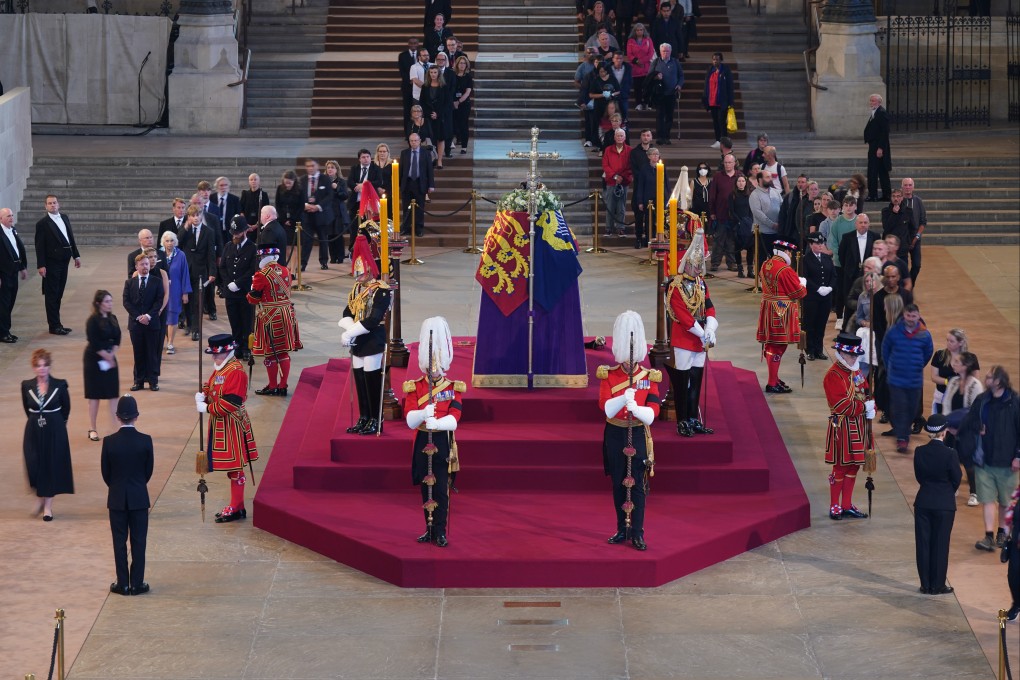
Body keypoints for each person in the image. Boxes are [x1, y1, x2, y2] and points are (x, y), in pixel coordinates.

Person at [598, 310, 661, 551]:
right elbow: (605, 407)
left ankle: (637, 531)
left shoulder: (647, 377)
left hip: (637, 433)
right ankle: (621, 528)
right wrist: (623, 399)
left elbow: (653, 410)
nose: (629, 361)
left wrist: (639, 408)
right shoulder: (609, 375)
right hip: (615, 434)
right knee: (617, 483)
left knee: (637, 486)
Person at [403, 316, 464, 548]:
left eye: (437, 366)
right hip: (421, 440)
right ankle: (427, 529)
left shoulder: (452, 387)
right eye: (431, 366)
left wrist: (436, 423)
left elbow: (455, 418)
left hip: (441, 440)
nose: (434, 370)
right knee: (425, 488)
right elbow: (409, 419)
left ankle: (440, 530)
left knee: (440, 489)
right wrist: (421, 415)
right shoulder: (415, 386)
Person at [195, 334, 259, 524]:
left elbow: (231, 403)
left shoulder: (236, 371)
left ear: (228, 351)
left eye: (217, 355)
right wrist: (203, 395)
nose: (214, 359)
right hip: (221, 424)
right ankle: (237, 506)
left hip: (232, 424)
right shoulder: (222, 367)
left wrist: (207, 407)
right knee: (233, 468)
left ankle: (236, 507)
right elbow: (212, 386)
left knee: (236, 468)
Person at [956, 366, 1020, 552]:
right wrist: (978, 427)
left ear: (999, 381)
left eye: (990, 377)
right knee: (987, 499)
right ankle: (989, 536)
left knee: (1005, 501)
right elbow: (969, 420)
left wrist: (1018, 457)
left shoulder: (1014, 403)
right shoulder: (982, 400)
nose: (986, 379)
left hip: (1008, 463)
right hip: (984, 461)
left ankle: (1003, 533)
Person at [665, 229, 717, 437]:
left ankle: (693, 418)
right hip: (684, 339)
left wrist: (711, 328)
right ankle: (682, 420)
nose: (698, 270)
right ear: (686, 264)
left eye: (700, 266)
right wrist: (702, 332)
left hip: (699, 339)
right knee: (682, 382)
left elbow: (710, 307)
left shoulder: (701, 284)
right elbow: (683, 317)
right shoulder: (675, 287)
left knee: (696, 381)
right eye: (695, 266)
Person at [101, 395, 154, 597]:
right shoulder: (145, 441)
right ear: (136, 416)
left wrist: (116, 487)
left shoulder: (109, 442)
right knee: (139, 541)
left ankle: (123, 583)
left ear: (117, 417)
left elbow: (106, 473)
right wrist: (138, 485)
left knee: (119, 541)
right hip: (139, 497)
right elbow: (148, 471)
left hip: (116, 498)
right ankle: (137, 583)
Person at [340, 235, 393, 436]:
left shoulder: (381, 290)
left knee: (372, 381)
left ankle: (375, 419)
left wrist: (351, 332)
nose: (356, 276)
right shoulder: (356, 289)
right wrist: (348, 331)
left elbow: (373, 319)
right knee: (360, 380)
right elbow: (347, 312)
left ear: (369, 269)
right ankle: (363, 417)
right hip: (358, 339)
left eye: (359, 272)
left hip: (373, 338)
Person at [824, 332, 874, 520]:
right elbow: (841, 405)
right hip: (842, 427)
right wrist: (864, 407)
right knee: (840, 467)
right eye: (851, 355)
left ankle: (846, 504)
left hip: (859, 425)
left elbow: (866, 391)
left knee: (853, 466)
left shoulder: (857, 371)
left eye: (856, 355)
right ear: (841, 353)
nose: (854, 358)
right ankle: (834, 504)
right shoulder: (833, 375)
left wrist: (872, 406)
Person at [22, 348, 74, 522]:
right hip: (34, 429)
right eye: (38, 366)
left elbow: (66, 408)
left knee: (50, 465)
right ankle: (39, 496)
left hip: (55, 429)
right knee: (34, 463)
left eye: (44, 365)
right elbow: (27, 408)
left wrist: (58, 423)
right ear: (34, 367)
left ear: (49, 366)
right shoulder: (26, 386)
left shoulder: (60, 385)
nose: (41, 369)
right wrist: (36, 420)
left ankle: (47, 507)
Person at [913, 414, 961, 595]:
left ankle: (925, 584)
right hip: (944, 504)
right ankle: (938, 584)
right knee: (941, 544)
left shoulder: (919, 451)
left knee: (923, 544)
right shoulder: (951, 454)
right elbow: (956, 478)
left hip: (923, 501)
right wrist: (946, 491)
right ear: (944, 432)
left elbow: (920, 477)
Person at [247, 247, 302, 397]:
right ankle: (283, 385)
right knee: (283, 351)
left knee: (270, 354)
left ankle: (272, 386)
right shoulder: (286, 270)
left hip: (271, 316)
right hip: (286, 313)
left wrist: (250, 292)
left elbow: (254, 299)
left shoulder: (261, 275)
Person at [881, 303, 933, 454]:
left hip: (914, 380)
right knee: (899, 408)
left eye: (914, 316)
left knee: (912, 409)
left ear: (918, 316)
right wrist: (891, 366)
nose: (911, 319)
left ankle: (903, 431)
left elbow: (928, 352)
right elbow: (885, 349)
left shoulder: (924, 334)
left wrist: (917, 365)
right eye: (908, 315)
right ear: (904, 315)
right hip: (896, 379)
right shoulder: (893, 331)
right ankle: (903, 438)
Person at [756, 240, 807, 394]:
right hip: (781, 311)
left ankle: (774, 378)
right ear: (787, 252)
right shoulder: (785, 269)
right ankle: (772, 382)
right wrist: (802, 284)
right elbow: (798, 293)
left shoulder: (766, 264)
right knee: (777, 346)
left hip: (768, 308)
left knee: (772, 345)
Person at [35, 194, 82, 335]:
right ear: (46, 206)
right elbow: (39, 246)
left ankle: (58, 324)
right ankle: (54, 326)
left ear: (58, 204)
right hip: (51, 263)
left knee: (59, 293)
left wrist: (76, 255)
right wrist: (41, 265)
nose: (52, 205)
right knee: (52, 294)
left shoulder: (65, 217)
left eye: (54, 203)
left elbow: (70, 238)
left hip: (64, 262)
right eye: (49, 203)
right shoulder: (42, 224)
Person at [943, 351, 983, 507]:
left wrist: (960, 428)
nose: (954, 364)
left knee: (968, 461)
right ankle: (953, 487)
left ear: (966, 366)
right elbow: (946, 404)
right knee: (950, 460)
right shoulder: (953, 381)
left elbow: (975, 411)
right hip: (951, 428)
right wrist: (948, 425)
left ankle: (974, 492)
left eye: (957, 362)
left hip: (967, 430)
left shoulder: (976, 385)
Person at [83, 289, 121, 442]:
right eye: (107, 301)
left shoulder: (113, 318)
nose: (110, 304)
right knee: (94, 396)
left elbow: (118, 338)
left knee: (113, 394)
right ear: (98, 303)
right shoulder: (92, 321)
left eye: (111, 301)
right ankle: (93, 428)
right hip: (94, 360)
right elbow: (94, 342)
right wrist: (107, 356)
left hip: (110, 358)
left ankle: (116, 428)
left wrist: (112, 355)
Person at [124, 253, 165, 392]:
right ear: (136, 266)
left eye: (147, 264)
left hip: (152, 324)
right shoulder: (130, 282)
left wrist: (148, 316)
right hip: (135, 325)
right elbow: (126, 302)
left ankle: (153, 381)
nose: (145, 266)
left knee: (152, 353)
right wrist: (138, 317)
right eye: (142, 264)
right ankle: (138, 381)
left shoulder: (156, 281)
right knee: (138, 353)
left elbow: (159, 301)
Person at [219, 216, 258, 359]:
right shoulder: (228, 246)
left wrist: (239, 283)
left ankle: (247, 348)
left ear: (245, 231)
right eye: (234, 233)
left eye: (238, 233)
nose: (235, 236)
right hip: (230, 293)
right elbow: (222, 267)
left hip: (244, 292)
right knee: (234, 321)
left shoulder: (252, 248)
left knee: (246, 322)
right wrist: (229, 282)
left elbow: (252, 270)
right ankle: (237, 345)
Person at [178, 204, 217, 341]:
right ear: (189, 217)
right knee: (186, 301)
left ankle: (196, 330)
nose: (195, 218)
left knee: (198, 301)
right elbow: (177, 242)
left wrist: (212, 271)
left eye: (197, 215)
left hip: (201, 271)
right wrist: (185, 227)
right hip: (186, 271)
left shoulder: (209, 232)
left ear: (201, 216)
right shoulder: (185, 230)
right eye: (192, 216)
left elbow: (211, 254)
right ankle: (189, 324)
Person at [802, 233, 835, 361]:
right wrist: (817, 288)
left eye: (821, 243)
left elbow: (834, 275)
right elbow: (805, 277)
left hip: (825, 298)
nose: (820, 245)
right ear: (811, 245)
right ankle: (810, 350)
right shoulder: (806, 259)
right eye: (817, 243)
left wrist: (830, 287)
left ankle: (819, 349)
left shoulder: (827, 258)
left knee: (821, 324)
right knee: (810, 324)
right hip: (811, 298)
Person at [300, 159, 336, 272]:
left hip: (322, 215)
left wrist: (318, 207)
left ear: (318, 166)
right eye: (308, 166)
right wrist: (305, 205)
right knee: (306, 241)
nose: (310, 168)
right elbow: (299, 195)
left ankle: (324, 262)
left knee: (323, 239)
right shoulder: (302, 179)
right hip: (307, 215)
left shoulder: (325, 179)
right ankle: (303, 263)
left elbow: (329, 196)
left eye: (312, 165)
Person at [159, 231, 191, 356]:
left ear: (175, 242)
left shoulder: (181, 255)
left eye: (172, 240)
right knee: (161, 317)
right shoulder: (159, 254)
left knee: (172, 317)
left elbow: (185, 274)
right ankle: (161, 341)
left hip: (175, 290)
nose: (169, 243)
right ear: (163, 242)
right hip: (161, 290)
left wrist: (185, 293)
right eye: (167, 241)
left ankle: (170, 343)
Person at [0, 207, 29, 343]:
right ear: (1, 219)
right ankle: (3, 333)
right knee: (4, 304)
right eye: (8, 216)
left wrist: (22, 267)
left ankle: (6, 330)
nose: (11, 218)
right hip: (3, 274)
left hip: (13, 272)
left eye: (12, 215)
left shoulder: (13, 230)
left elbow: (18, 249)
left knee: (10, 302)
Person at [400, 133, 435, 238]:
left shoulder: (426, 153)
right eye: (411, 141)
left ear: (420, 141)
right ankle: (406, 228)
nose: (413, 142)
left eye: (415, 140)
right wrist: (399, 184)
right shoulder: (404, 153)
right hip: (407, 183)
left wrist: (431, 185)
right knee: (407, 207)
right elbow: (401, 169)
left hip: (420, 183)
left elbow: (430, 170)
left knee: (419, 207)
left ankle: (419, 228)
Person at [708, 154, 738, 271]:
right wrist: (712, 211)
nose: (727, 165)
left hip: (734, 215)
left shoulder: (739, 176)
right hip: (720, 213)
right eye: (725, 162)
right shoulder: (718, 176)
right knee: (718, 240)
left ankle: (732, 263)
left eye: (729, 162)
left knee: (731, 240)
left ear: (734, 163)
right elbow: (712, 195)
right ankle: (715, 263)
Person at [631, 146, 665, 249]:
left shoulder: (661, 167)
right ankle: (639, 239)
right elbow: (640, 185)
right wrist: (640, 201)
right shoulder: (644, 168)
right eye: (653, 154)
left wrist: (665, 198)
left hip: (657, 199)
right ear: (649, 156)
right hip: (646, 199)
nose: (656, 156)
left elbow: (665, 184)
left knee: (653, 220)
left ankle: (650, 239)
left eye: (657, 154)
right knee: (641, 219)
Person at [649, 42, 683, 145]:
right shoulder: (656, 62)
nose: (665, 53)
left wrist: (679, 85)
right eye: (663, 51)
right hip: (659, 94)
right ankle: (660, 137)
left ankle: (667, 136)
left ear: (670, 52)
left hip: (671, 93)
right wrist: (655, 77)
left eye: (667, 51)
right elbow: (649, 76)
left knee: (669, 116)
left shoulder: (675, 62)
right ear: (660, 52)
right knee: (659, 115)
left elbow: (681, 76)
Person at [602, 128, 632, 238]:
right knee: (610, 205)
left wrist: (621, 177)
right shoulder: (608, 150)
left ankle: (621, 228)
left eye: (621, 136)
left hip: (623, 182)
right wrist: (614, 176)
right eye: (618, 135)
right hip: (611, 181)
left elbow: (630, 167)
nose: (619, 137)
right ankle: (608, 228)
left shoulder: (629, 150)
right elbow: (605, 165)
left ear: (624, 138)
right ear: (614, 137)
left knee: (621, 206)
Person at [749, 169, 781, 269]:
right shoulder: (754, 195)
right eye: (767, 177)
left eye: (770, 177)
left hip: (776, 232)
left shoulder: (776, 192)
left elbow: (782, 207)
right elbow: (758, 213)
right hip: (762, 233)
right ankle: (761, 280)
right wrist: (772, 224)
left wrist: (781, 223)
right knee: (761, 259)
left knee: (776, 259)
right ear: (760, 179)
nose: (770, 179)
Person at [702, 52, 734, 149]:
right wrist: (705, 99)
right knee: (715, 121)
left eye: (717, 59)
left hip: (722, 101)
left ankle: (724, 141)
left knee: (721, 121)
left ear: (721, 60)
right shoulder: (710, 70)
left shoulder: (726, 70)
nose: (715, 61)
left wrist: (731, 102)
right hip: (712, 101)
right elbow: (706, 85)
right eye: (714, 59)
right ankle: (717, 140)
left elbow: (730, 86)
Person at [864, 94, 892, 202]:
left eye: (874, 101)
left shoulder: (881, 113)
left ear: (879, 102)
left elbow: (885, 133)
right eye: (870, 101)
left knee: (874, 171)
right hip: (874, 146)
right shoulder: (876, 112)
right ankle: (886, 194)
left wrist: (880, 148)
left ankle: (873, 195)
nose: (871, 103)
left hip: (878, 147)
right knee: (880, 170)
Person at [900, 177, 926, 286]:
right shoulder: (898, 200)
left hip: (915, 237)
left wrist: (916, 238)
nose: (907, 187)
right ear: (902, 187)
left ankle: (910, 285)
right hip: (902, 238)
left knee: (916, 265)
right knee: (903, 266)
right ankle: (904, 288)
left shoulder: (918, 201)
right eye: (905, 185)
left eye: (910, 185)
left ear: (913, 187)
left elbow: (923, 222)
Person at [326, 159, 351, 265]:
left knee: (338, 235)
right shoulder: (324, 181)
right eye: (328, 167)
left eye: (332, 167)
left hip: (339, 212)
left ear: (336, 169)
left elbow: (345, 195)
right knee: (330, 235)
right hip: (328, 212)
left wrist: (337, 188)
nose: (330, 169)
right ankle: (332, 257)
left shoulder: (341, 181)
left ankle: (340, 257)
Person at [728, 174, 754, 277]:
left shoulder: (750, 194)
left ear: (746, 182)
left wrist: (750, 221)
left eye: (743, 181)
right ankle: (740, 270)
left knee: (750, 248)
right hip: (737, 224)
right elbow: (731, 211)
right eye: (739, 181)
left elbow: (751, 209)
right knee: (738, 248)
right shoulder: (732, 195)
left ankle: (750, 270)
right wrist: (739, 221)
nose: (741, 183)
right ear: (736, 183)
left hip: (748, 223)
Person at [274, 170, 304, 256]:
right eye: (286, 181)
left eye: (290, 182)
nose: (288, 184)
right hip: (283, 221)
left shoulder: (300, 190)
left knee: (295, 245)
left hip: (296, 220)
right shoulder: (280, 188)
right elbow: (278, 205)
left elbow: (301, 207)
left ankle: (294, 266)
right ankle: (288, 265)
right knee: (285, 245)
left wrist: (291, 219)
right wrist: (284, 219)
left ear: (294, 181)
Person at [626, 23, 655, 111]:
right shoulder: (630, 41)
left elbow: (650, 53)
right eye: (637, 30)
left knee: (647, 87)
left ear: (644, 30)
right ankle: (638, 103)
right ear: (635, 31)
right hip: (635, 68)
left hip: (646, 67)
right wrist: (636, 61)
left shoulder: (648, 40)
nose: (639, 32)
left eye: (641, 30)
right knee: (637, 87)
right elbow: (629, 54)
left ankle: (646, 103)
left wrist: (642, 61)